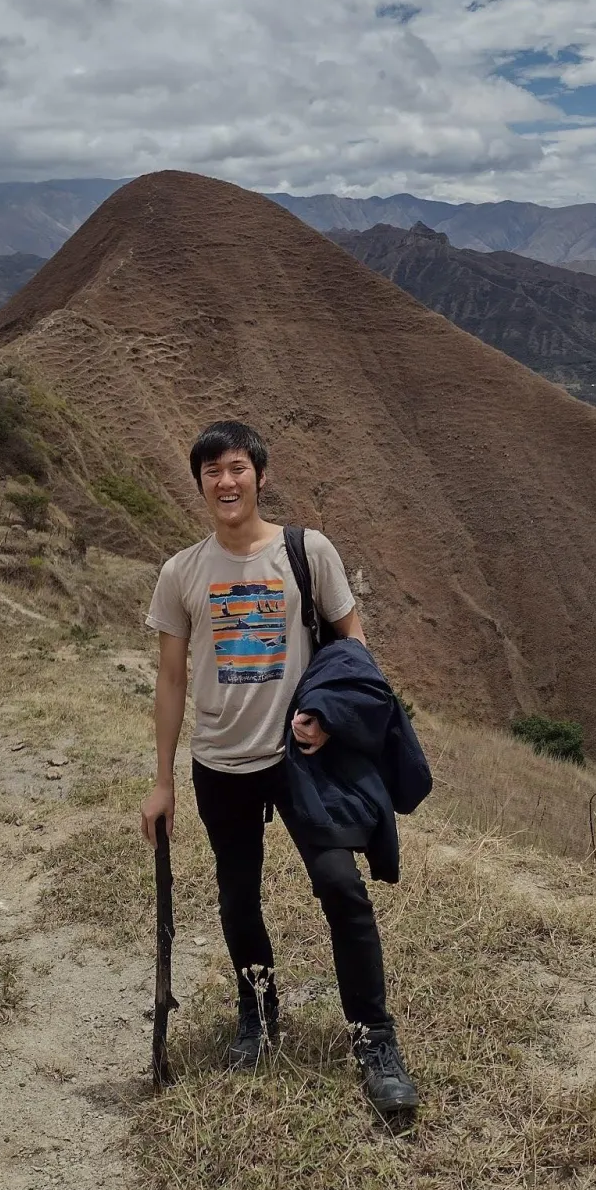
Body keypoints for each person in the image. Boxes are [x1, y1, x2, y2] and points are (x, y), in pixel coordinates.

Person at [140, 419, 419, 1116]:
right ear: (200, 483)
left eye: (237, 468)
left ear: (261, 476)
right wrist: (163, 779)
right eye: (213, 472)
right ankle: (258, 1015)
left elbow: (353, 645)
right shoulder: (182, 573)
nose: (226, 482)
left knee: (340, 887)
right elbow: (171, 681)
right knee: (238, 896)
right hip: (221, 761)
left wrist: (328, 716)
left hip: (299, 759)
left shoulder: (306, 551)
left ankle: (374, 1037)